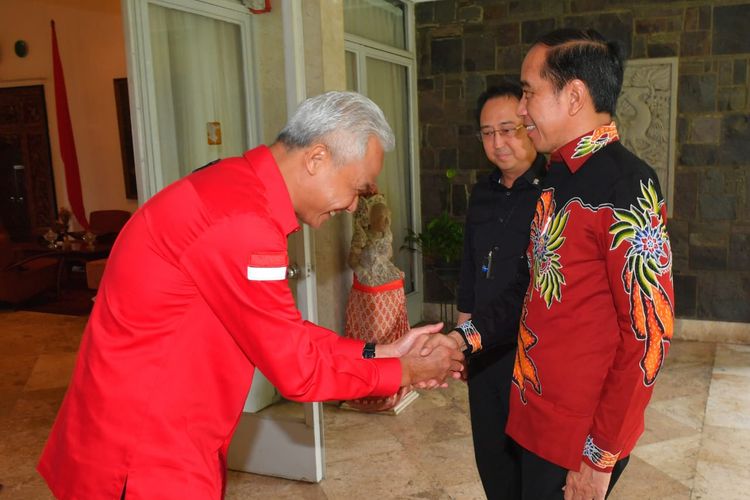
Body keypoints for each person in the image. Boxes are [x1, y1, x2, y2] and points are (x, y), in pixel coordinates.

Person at [38, 91, 463, 499]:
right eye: (357, 188)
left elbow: (286, 334)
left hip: (157, 437)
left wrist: (382, 353)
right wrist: (403, 371)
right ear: (317, 158)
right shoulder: (242, 222)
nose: (354, 207)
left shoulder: (234, 188)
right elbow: (298, 370)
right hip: (144, 456)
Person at [432, 29, 674, 499]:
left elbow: (649, 334)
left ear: (574, 95)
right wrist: (465, 338)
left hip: (577, 434)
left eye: (528, 93)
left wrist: (600, 454)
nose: (521, 110)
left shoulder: (627, 184)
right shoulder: (557, 178)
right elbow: (529, 285)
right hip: (532, 414)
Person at [455, 82, 546, 499]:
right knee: (492, 459)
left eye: (508, 129)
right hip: (485, 352)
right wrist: (462, 327)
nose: (498, 142)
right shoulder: (482, 193)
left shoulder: (556, 193)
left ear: (529, 125)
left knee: (534, 465)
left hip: (534, 353)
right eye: (488, 133)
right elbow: (471, 266)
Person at [345, 195, 412, 412]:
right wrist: (364, 273)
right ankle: (371, 382)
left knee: (389, 331)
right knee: (374, 332)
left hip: (387, 281)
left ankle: (393, 379)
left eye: (387, 218)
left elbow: (386, 259)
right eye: (380, 217)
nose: (384, 222)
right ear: (371, 218)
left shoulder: (387, 235)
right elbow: (353, 261)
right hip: (369, 285)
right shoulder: (362, 237)